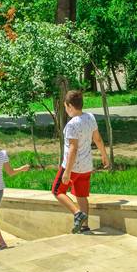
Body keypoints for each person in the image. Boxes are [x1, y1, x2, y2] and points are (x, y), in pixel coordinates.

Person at [52, 89, 109, 233]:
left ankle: (77, 213)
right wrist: (104, 155)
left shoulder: (72, 125)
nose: (66, 110)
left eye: (65, 107)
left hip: (72, 167)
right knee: (81, 195)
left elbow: (73, 149)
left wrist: (67, 172)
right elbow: (97, 139)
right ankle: (84, 227)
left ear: (70, 106)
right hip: (86, 166)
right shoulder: (90, 117)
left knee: (57, 190)